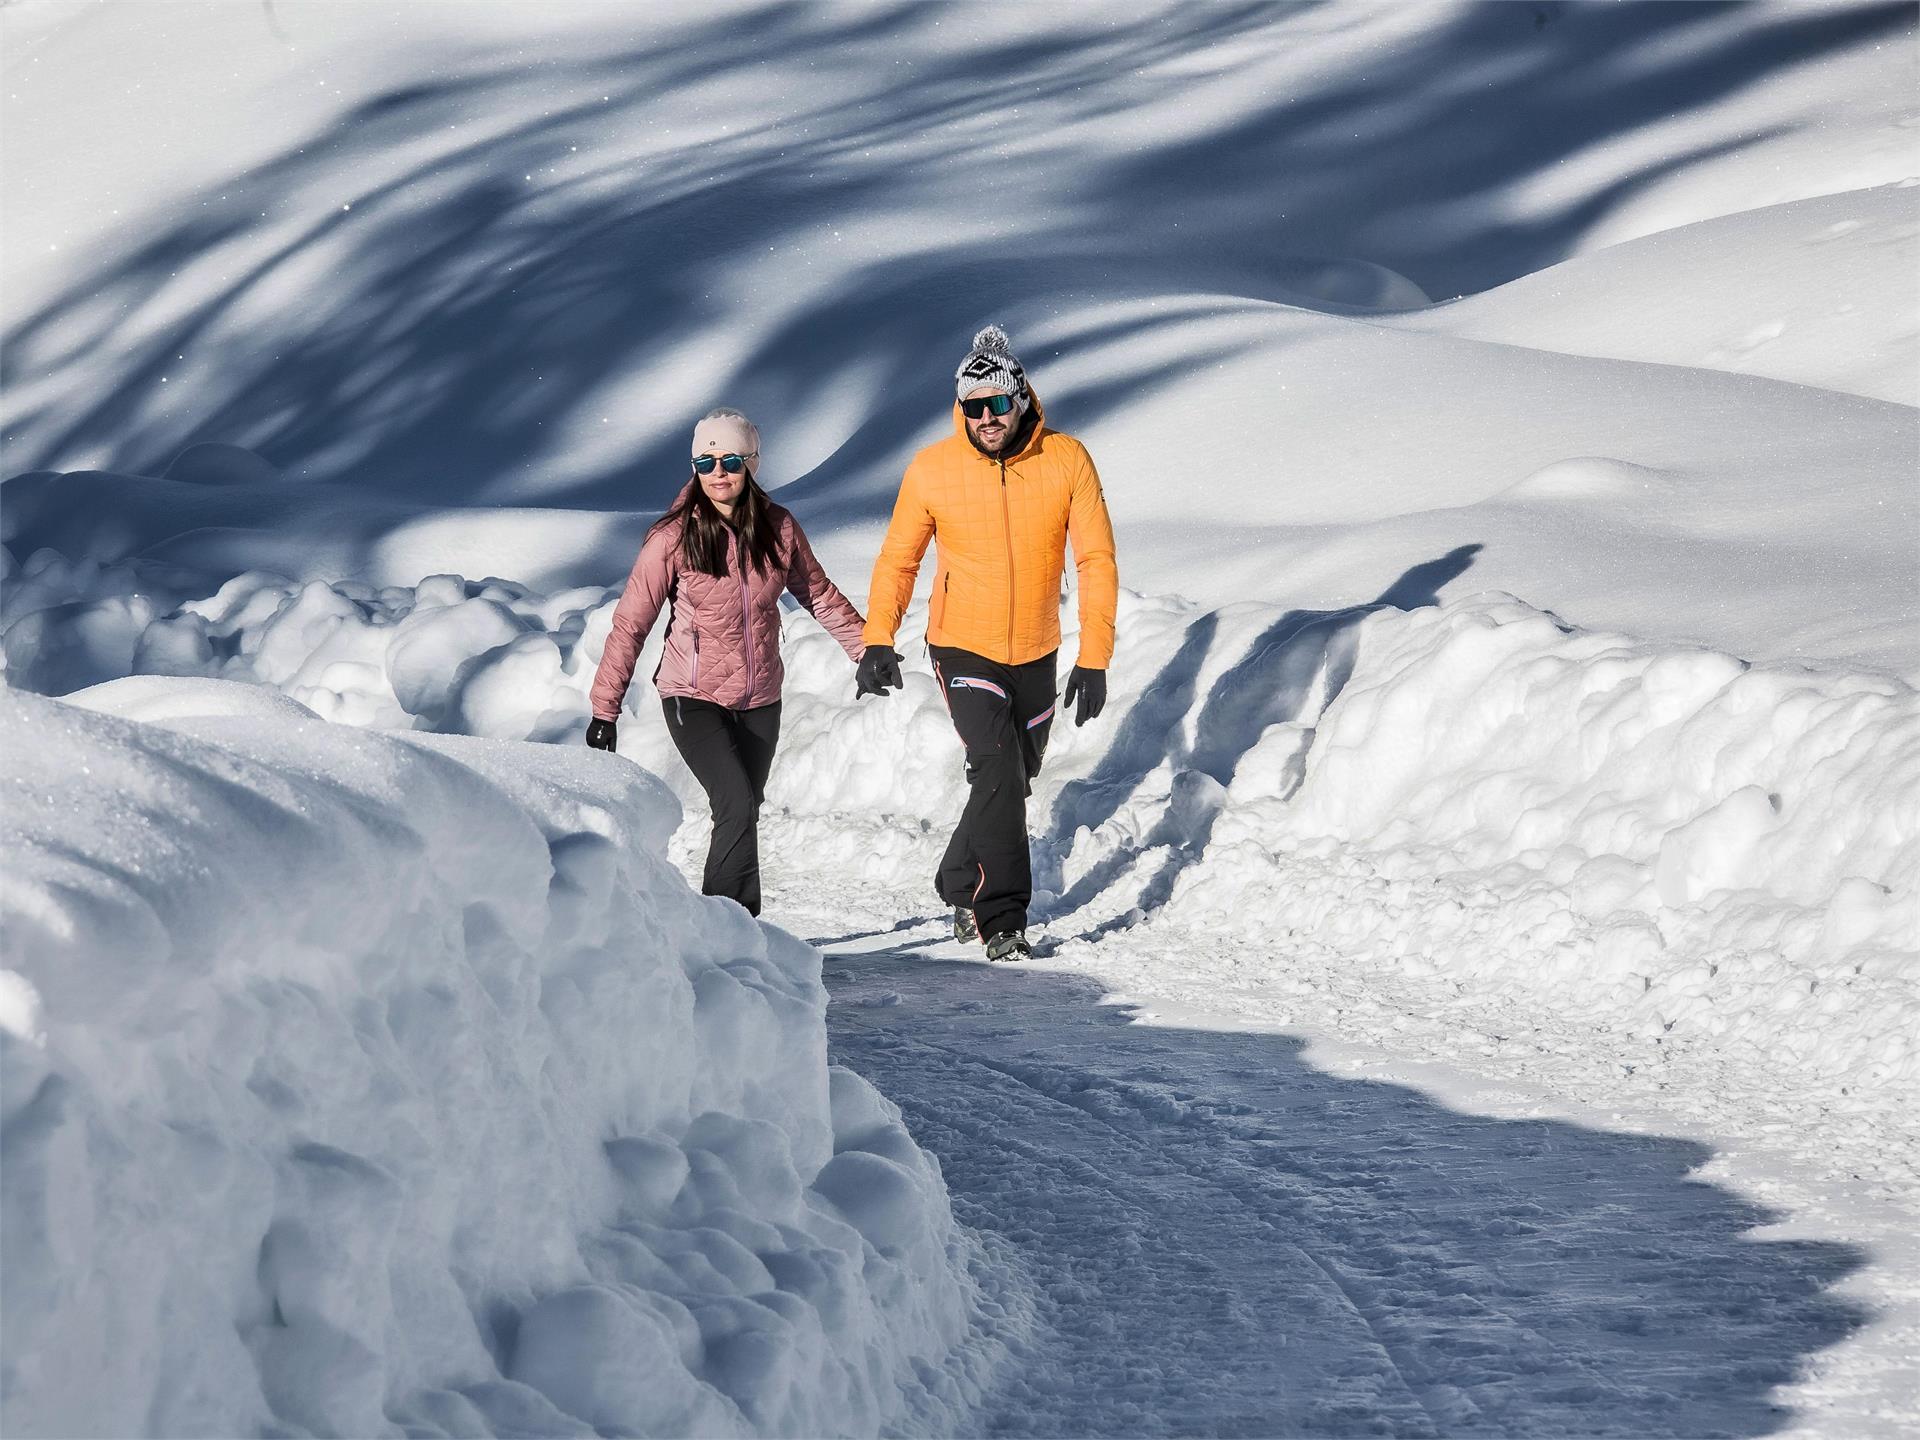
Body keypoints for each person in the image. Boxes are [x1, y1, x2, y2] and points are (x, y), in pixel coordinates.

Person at [856, 326, 1118, 962]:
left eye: (997, 403)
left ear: (1021, 399)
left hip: (1037, 645)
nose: (986, 418)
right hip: (961, 644)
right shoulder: (932, 469)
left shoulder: (1068, 459)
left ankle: (956, 880)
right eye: (972, 407)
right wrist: (878, 637)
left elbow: (1096, 558)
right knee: (997, 769)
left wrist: (1094, 656)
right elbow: (899, 559)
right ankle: (1002, 918)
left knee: (1013, 777)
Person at [587, 408, 865, 916]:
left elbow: (818, 594)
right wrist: (605, 708)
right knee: (734, 803)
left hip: (760, 696)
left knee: (744, 811)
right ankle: (721, 930)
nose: (718, 472)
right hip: (691, 695)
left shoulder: (779, 528)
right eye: (705, 461)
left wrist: (868, 651)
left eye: (730, 460)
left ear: (751, 465)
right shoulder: (672, 537)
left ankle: (742, 928)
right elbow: (632, 622)